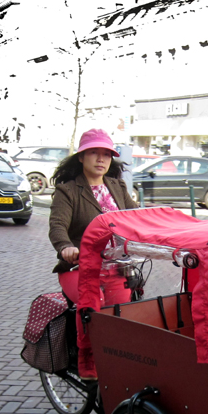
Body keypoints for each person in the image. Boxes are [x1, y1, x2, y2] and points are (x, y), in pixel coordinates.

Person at [48, 128, 139, 305]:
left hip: (116, 267)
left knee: (119, 315)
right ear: (81, 157)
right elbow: (58, 225)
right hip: (79, 268)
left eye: (106, 154)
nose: (100, 159)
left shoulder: (117, 186)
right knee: (93, 305)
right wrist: (65, 247)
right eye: (94, 153)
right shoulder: (67, 191)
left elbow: (136, 218)